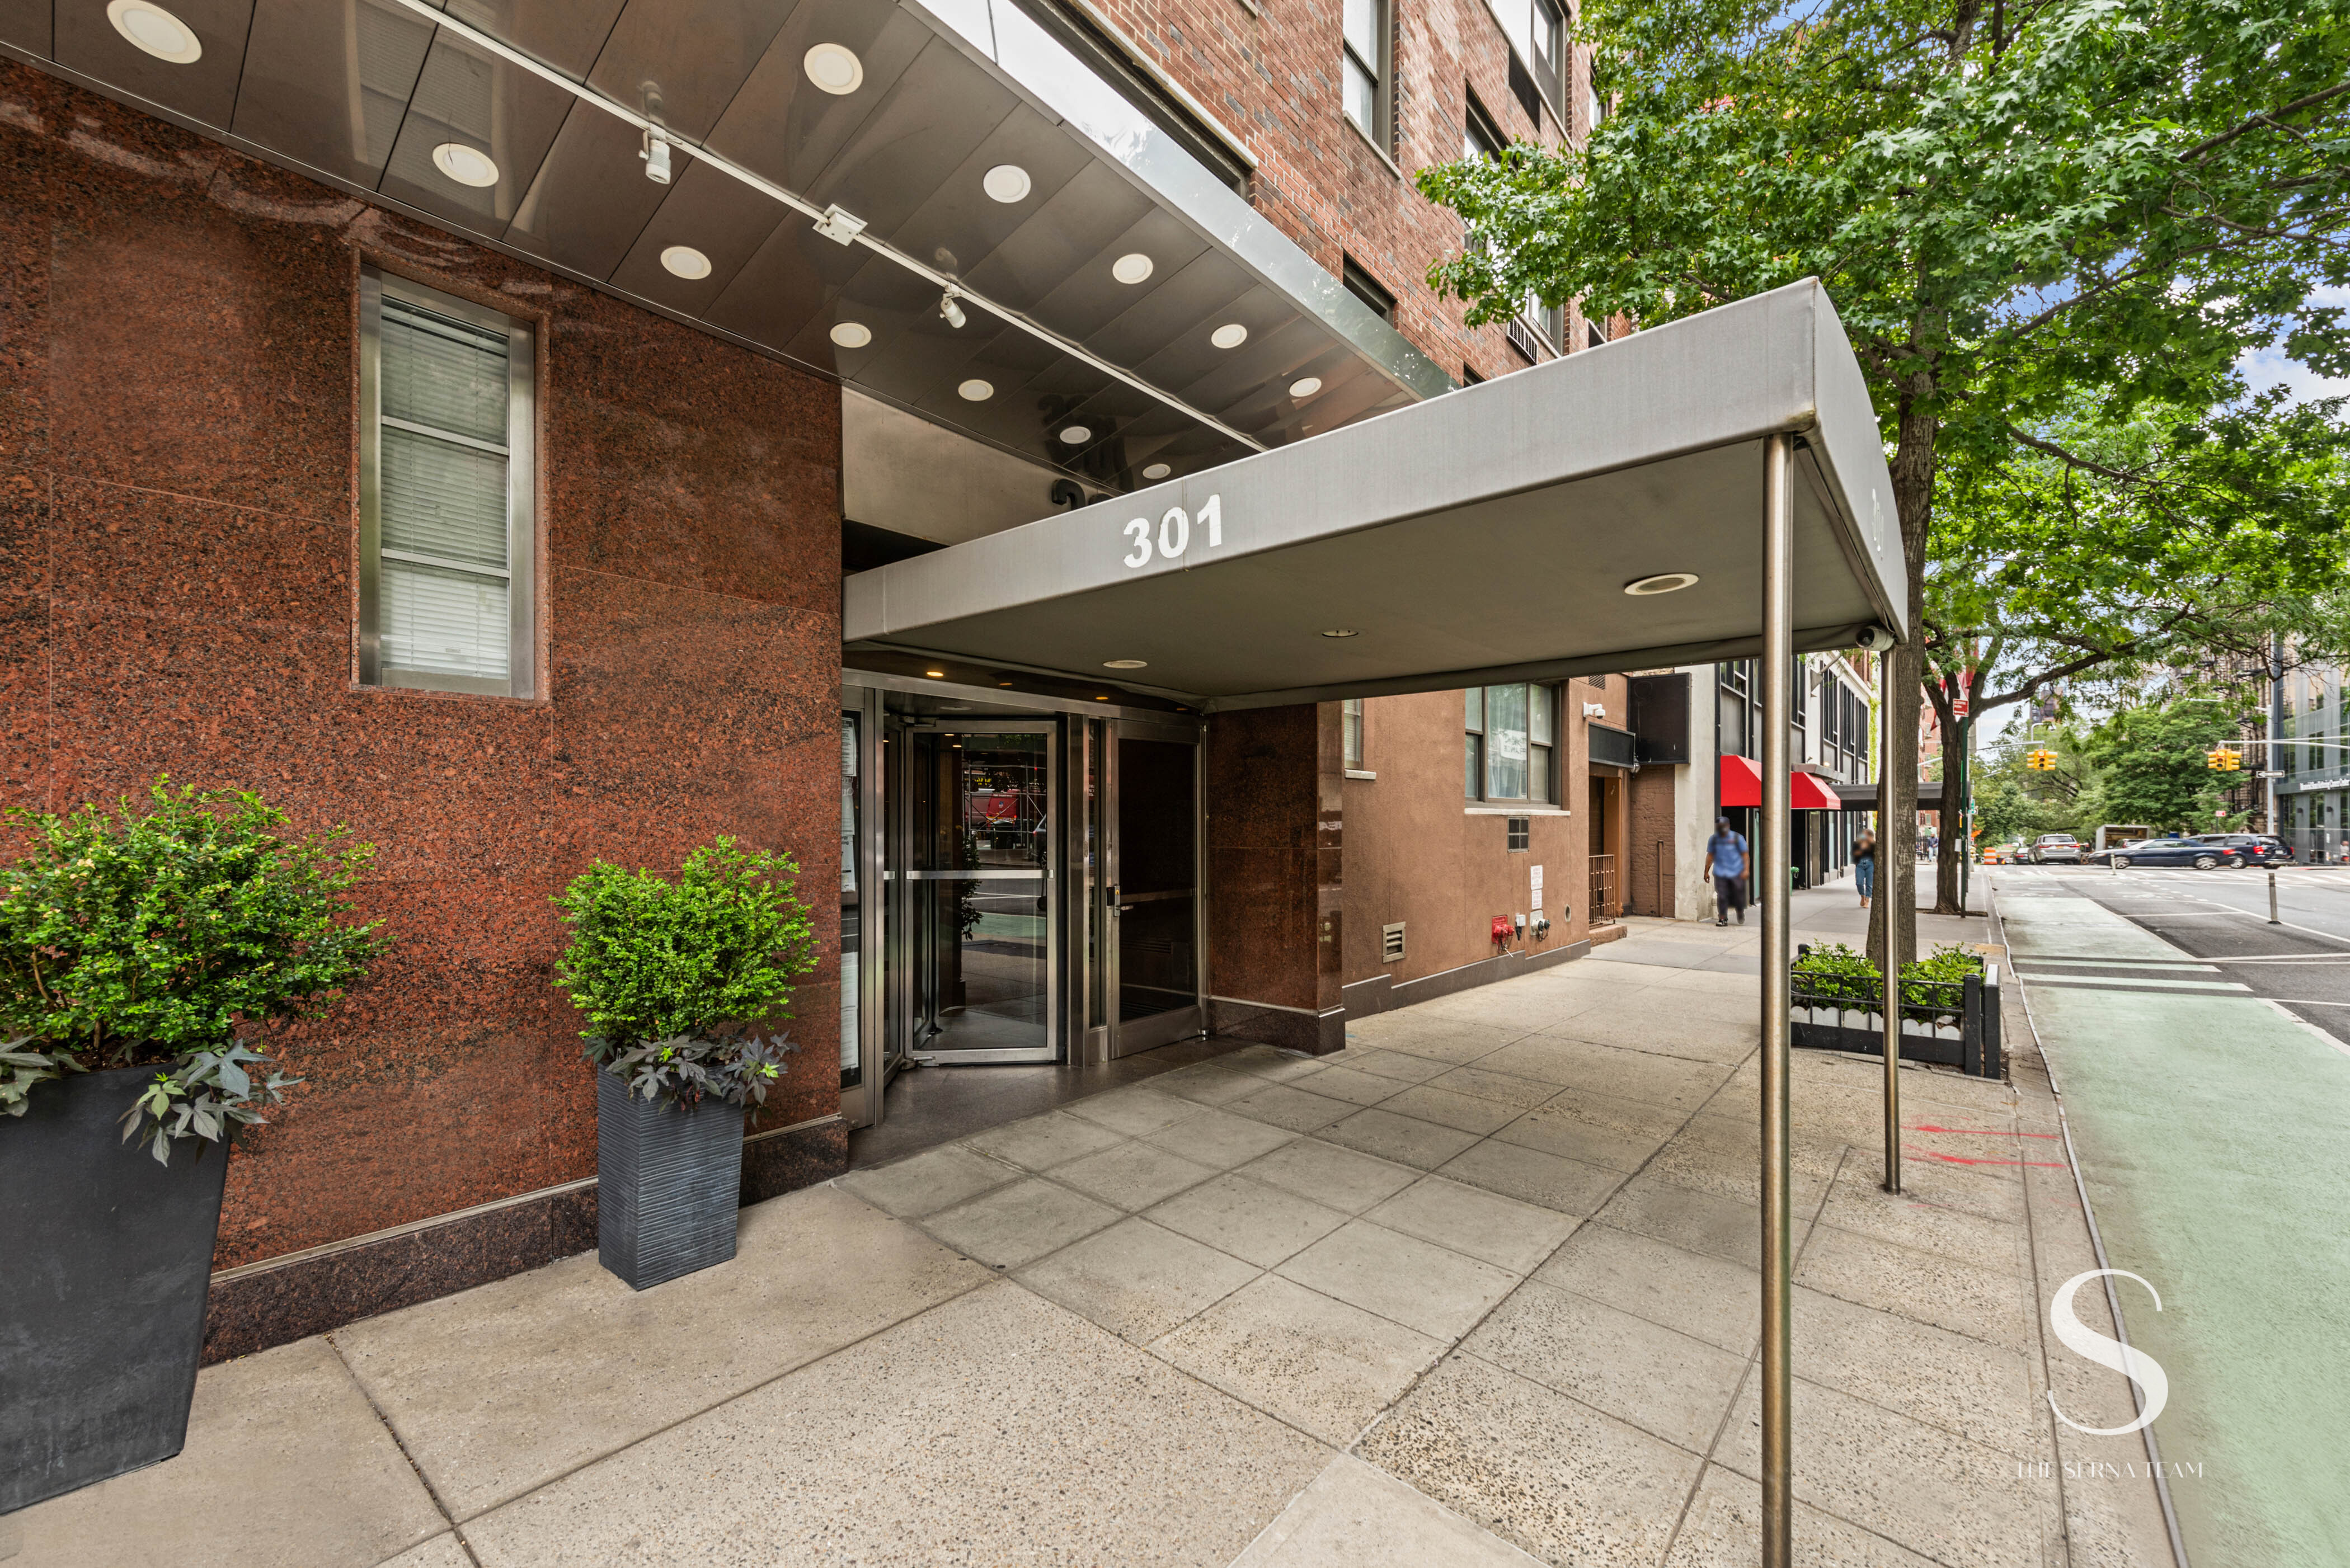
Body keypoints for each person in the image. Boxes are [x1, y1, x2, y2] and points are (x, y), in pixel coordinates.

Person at [1707, 817, 1749, 927]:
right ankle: (1722, 918)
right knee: (1722, 895)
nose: (1721, 829)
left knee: (1738, 896)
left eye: (1723, 826)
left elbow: (1745, 855)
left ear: (1728, 826)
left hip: (1737, 873)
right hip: (1720, 873)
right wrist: (1706, 871)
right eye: (1719, 827)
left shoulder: (1737, 838)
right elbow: (1710, 856)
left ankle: (1740, 911)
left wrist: (1746, 870)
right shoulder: (1714, 839)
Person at [1854, 830, 1876, 908]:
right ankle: (1862, 896)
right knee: (1859, 883)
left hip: (1870, 864)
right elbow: (1854, 854)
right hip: (1860, 864)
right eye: (1863, 835)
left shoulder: (1874, 844)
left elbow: (1877, 853)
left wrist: (1872, 843)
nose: (1864, 836)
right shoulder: (1858, 843)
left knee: (1869, 884)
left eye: (1866, 835)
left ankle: (1867, 901)